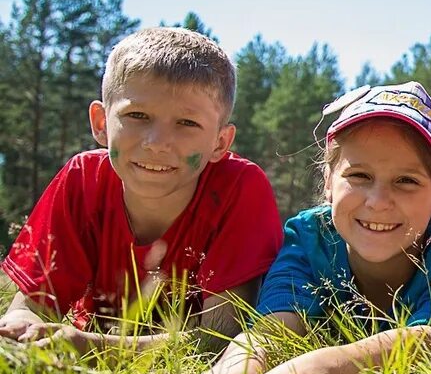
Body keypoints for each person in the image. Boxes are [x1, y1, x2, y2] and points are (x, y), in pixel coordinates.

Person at [139, 82, 431, 374]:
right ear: (328, 182)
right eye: (359, 176)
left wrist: (323, 365)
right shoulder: (310, 237)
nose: (378, 200)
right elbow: (278, 319)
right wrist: (237, 366)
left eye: (406, 180)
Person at [0, 27, 281, 355]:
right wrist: (20, 325)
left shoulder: (239, 188)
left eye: (187, 123)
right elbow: (33, 306)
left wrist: (95, 348)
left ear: (220, 141)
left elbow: (218, 337)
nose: (157, 143)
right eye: (137, 116)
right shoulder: (82, 179)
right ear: (101, 122)